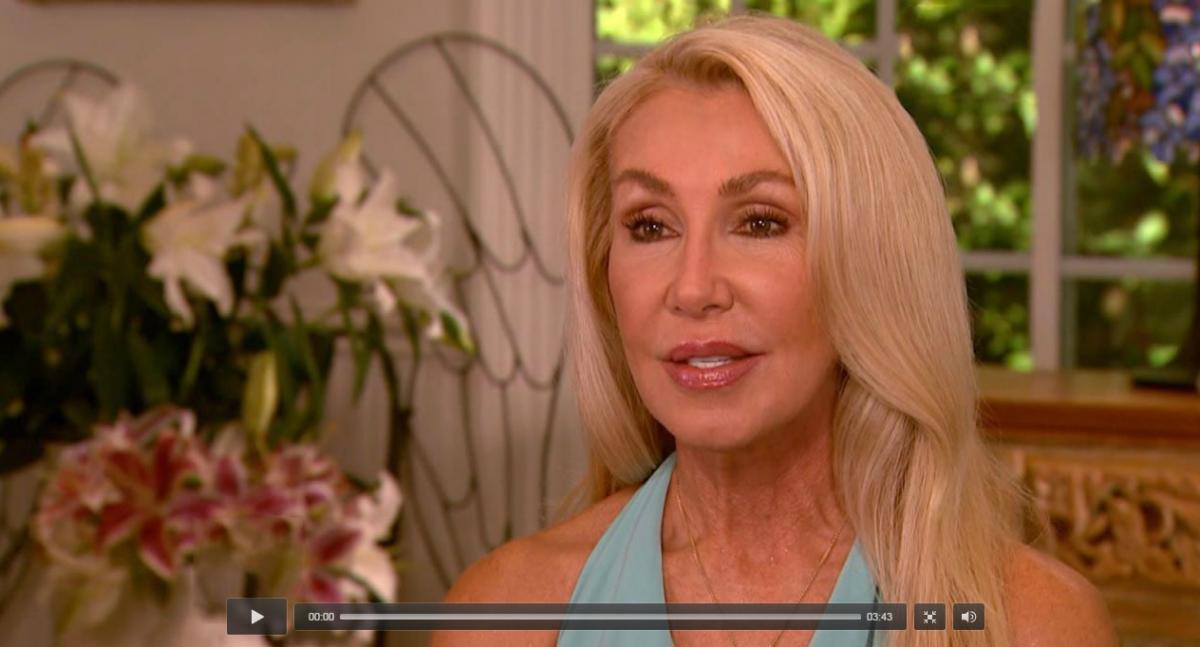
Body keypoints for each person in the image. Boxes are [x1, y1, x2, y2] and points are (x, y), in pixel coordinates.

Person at [434, 15, 1118, 647]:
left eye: (760, 222)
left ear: (870, 265)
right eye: (650, 226)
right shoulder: (505, 616)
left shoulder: (1030, 624)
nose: (693, 288)